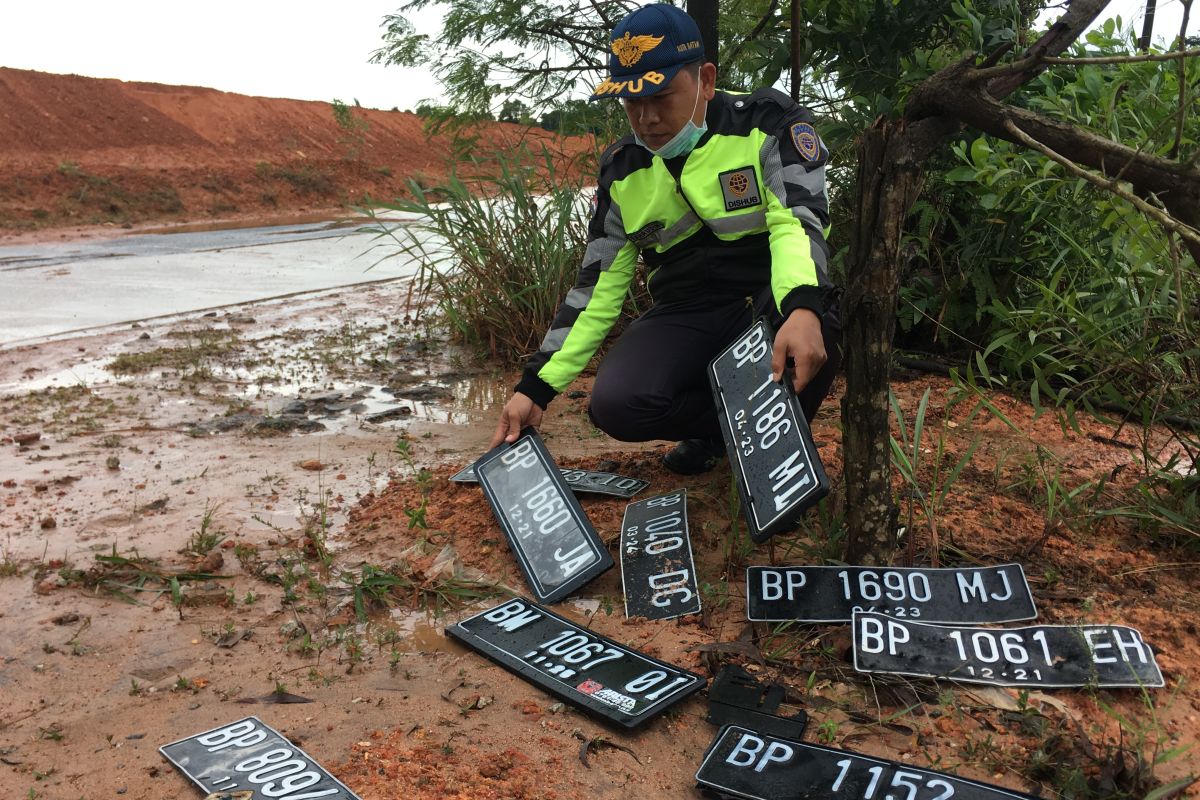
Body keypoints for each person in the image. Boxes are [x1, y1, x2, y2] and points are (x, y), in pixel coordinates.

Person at [490, 2, 840, 474]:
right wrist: (535, 388)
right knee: (616, 403)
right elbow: (596, 289)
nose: (647, 117)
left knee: (818, 318)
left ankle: (776, 435)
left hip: (768, 297)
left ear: (706, 81)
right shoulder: (623, 171)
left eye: (661, 96)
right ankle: (721, 432)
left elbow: (796, 222)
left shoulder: (764, 124)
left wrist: (801, 305)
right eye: (632, 102)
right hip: (689, 310)